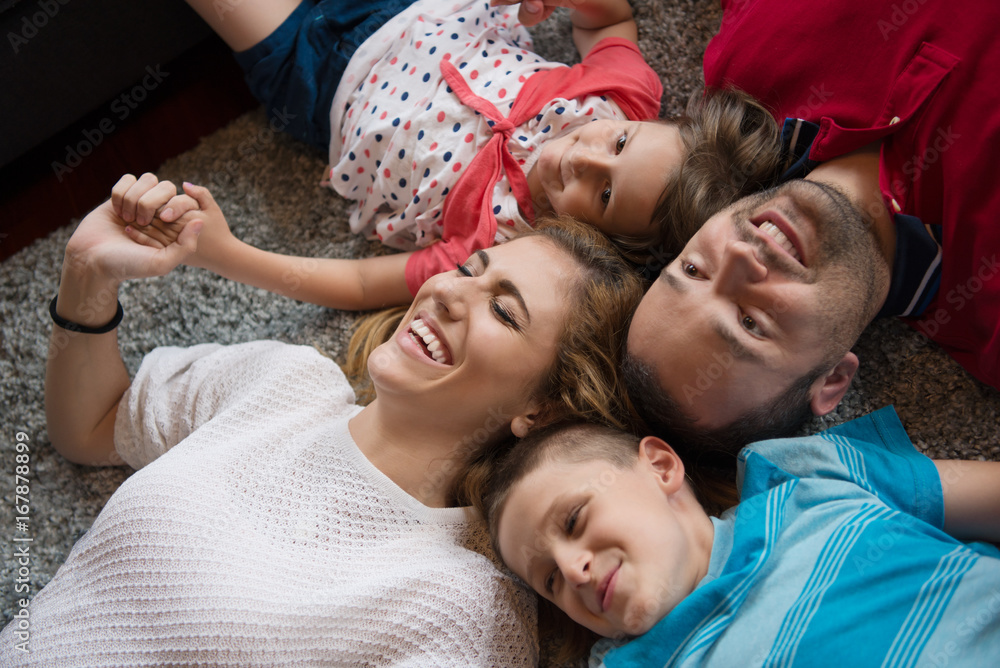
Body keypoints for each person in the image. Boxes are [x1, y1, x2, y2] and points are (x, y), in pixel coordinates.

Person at [0, 174, 644, 665]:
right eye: (468, 271)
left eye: (504, 312)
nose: (447, 292)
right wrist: (86, 274)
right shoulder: (285, 381)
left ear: (543, 408)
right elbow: (92, 427)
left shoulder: (464, 606)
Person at [123, 0, 782, 310]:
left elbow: (359, 286)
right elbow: (607, 22)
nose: (583, 156)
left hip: (315, 76)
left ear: (602, 241)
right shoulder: (620, 95)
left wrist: (224, 253)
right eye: (618, 145)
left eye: (603, 194)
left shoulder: (509, 242)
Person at [624, 0, 1000, 452]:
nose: (740, 256)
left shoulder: (743, 73)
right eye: (751, 322)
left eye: (693, 271)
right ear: (833, 380)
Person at [483, 416, 1000, 666]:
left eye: (574, 521)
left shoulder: (796, 477)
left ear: (660, 467)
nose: (573, 571)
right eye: (549, 580)